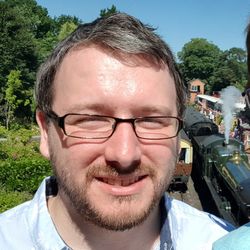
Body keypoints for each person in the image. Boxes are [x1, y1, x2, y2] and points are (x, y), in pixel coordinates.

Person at [0, 13, 234, 250]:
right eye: (92, 119)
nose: (125, 154)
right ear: (44, 131)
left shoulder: (221, 243)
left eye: (153, 120)